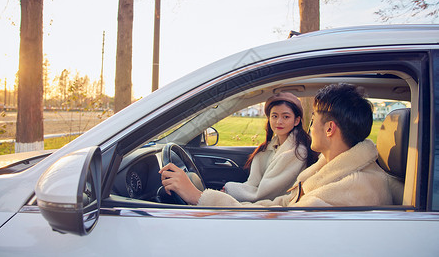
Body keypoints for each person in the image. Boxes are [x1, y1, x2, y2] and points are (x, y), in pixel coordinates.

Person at [160, 83, 393, 207]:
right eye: (274, 116)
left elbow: (272, 220)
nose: (310, 129)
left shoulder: (347, 191)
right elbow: (280, 205)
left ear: (330, 128)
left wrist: (198, 197)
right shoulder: (328, 172)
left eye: (313, 121)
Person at [220, 92, 317, 202]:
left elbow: (265, 193)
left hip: (278, 209)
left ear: (296, 120)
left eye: (286, 117)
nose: (278, 122)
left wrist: (230, 190)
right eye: (274, 116)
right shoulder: (269, 148)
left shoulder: (297, 153)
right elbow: (254, 183)